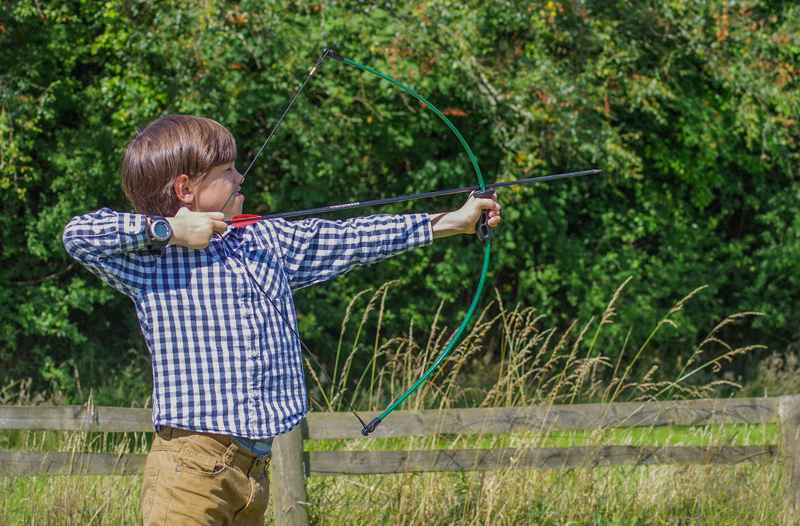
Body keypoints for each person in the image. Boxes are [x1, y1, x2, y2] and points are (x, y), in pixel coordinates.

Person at [62, 114, 501, 525]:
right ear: (185, 189)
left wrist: (454, 222)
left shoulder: (262, 241)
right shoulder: (151, 260)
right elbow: (78, 234)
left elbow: (352, 238)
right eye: (228, 171)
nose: (240, 178)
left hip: (254, 474)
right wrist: (171, 231)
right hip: (189, 469)